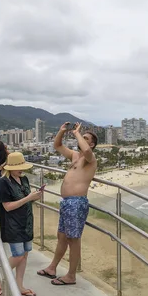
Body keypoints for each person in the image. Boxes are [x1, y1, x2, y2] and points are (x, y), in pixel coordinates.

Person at [38, 122, 98, 286]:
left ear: (92, 144)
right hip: (66, 203)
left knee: (73, 239)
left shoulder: (90, 159)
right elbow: (57, 145)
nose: (82, 140)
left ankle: (71, 275)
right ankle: (52, 268)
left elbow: (86, 150)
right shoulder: (74, 156)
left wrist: (78, 133)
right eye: (82, 137)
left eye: (86, 138)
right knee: (62, 237)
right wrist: (62, 131)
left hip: (77, 203)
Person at [0, 152, 42, 296]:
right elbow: (7, 206)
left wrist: (34, 197)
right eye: (19, 167)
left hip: (26, 222)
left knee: (25, 254)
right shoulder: (3, 182)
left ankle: (19, 285)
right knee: (18, 255)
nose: (22, 170)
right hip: (12, 224)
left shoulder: (25, 179)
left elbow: (25, 199)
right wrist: (29, 198)